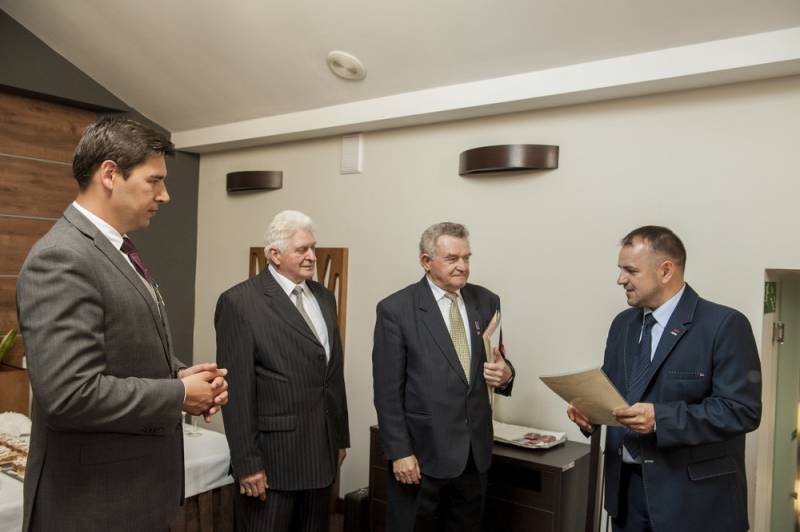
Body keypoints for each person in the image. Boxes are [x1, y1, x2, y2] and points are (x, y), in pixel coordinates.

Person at [16, 116, 228, 532]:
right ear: (110, 174)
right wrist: (179, 394)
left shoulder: (116, 249)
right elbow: (69, 394)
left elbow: (123, 347)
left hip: (132, 495)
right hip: (93, 505)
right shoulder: (62, 258)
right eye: (154, 181)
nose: (165, 195)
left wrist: (179, 374)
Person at [567, 225, 761, 532]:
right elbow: (614, 392)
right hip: (626, 498)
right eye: (620, 269)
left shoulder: (724, 325)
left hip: (694, 503)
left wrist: (660, 419)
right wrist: (589, 411)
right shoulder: (622, 325)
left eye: (631, 270)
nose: (620, 279)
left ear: (666, 270)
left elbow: (741, 410)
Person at [372, 222, 515, 532]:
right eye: (452, 259)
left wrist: (505, 375)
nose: (462, 266)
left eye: (466, 257)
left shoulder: (487, 301)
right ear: (426, 261)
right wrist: (400, 453)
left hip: (473, 457)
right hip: (421, 456)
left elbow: (497, 362)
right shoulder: (396, 310)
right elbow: (387, 392)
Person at [215, 210, 349, 532]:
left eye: (313, 248)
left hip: (322, 455)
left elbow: (332, 375)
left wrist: (340, 438)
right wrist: (247, 464)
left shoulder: (324, 298)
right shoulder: (240, 302)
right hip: (272, 464)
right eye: (302, 249)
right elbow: (238, 392)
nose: (312, 256)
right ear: (274, 254)